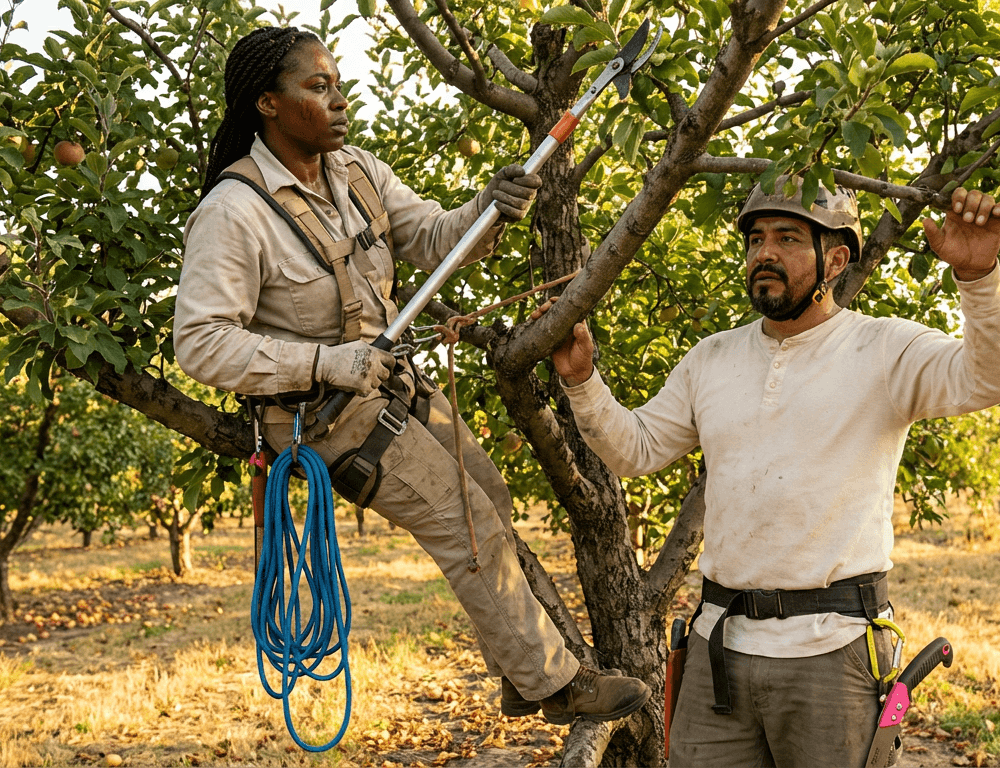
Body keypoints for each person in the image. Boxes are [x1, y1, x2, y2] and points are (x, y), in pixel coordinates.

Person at [174, 26, 648, 726]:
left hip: (389, 385)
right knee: (469, 522)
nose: (338, 100)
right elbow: (201, 345)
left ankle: (517, 675)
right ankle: (557, 686)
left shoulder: (356, 171)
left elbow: (431, 237)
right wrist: (325, 361)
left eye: (337, 84)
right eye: (317, 87)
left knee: (490, 490)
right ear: (267, 104)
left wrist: (488, 210)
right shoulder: (235, 211)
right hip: (323, 413)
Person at [536, 180, 1000, 765]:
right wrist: (581, 380)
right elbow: (634, 450)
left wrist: (978, 278)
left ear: (837, 259)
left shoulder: (883, 349)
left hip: (833, 650)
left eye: (788, 237)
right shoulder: (712, 358)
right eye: (756, 238)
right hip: (718, 646)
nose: (764, 252)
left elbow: (995, 378)